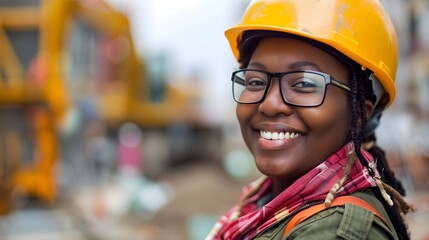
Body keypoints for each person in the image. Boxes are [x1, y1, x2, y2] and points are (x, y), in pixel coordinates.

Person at [207, 0, 413, 239]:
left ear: (359, 114)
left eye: (304, 83)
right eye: (255, 81)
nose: (270, 104)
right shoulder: (264, 204)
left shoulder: (333, 232)